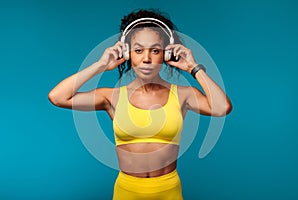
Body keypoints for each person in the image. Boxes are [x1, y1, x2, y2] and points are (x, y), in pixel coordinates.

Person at [48, 9, 232, 200]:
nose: (146, 58)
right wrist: (101, 65)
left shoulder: (183, 95)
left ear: (166, 54)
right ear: (127, 53)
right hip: (127, 191)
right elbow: (58, 97)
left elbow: (221, 108)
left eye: (155, 50)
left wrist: (193, 68)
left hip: (168, 190)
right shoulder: (112, 97)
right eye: (138, 50)